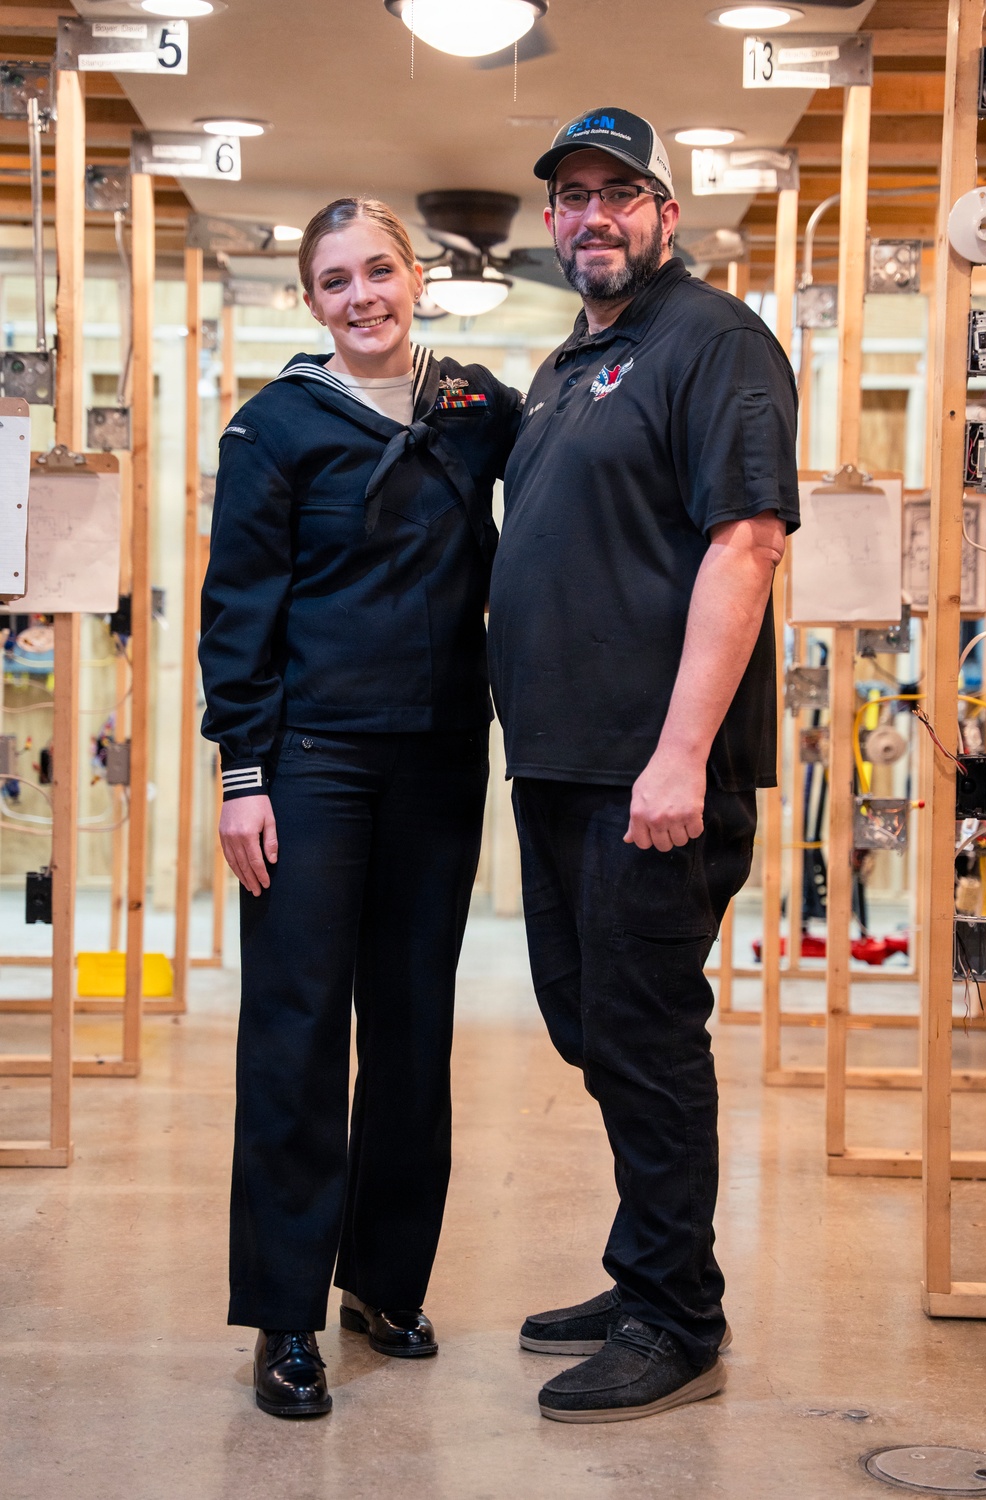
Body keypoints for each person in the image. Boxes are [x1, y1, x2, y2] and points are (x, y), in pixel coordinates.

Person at [488, 108, 800, 1423]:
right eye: (571, 195)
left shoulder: (712, 340)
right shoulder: (571, 363)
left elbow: (746, 544)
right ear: (551, 220)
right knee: (592, 1026)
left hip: (652, 776)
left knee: (647, 1036)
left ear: (667, 213)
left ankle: (676, 1317)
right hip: (563, 764)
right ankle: (646, 1271)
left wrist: (678, 757)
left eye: (619, 193)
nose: (593, 215)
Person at [200, 197, 522, 1419]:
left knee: (411, 1029)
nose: (361, 297)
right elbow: (238, 608)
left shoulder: (477, 408)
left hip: (438, 761)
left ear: (417, 276)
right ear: (311, 301)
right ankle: (285, 1315)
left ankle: (384, 1283)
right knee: (294, 1030)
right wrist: (242, 775)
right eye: (334, 280)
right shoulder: (272, 427)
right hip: (311, 765)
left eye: (377, 271)